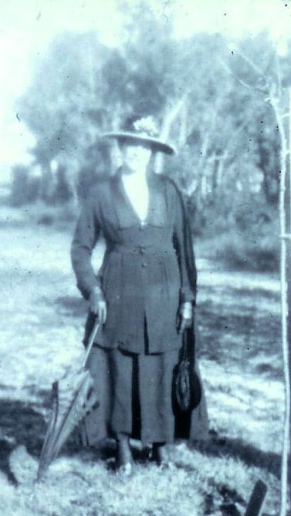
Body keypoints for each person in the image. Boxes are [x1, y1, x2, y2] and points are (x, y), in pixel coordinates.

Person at [71, 116, 206, 475]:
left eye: (144, 147)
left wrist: (187, 298)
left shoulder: (169, 191)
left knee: (163, 366)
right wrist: (93, 291)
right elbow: (81, 248)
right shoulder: (101, 194)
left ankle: (161, 447)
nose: (136, 152)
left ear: (151, 153)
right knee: (120, 370)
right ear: (121, 149)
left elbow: (184, 249)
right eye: (130, 145)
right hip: (119, 294)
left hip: (166, 293)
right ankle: (123, 449)